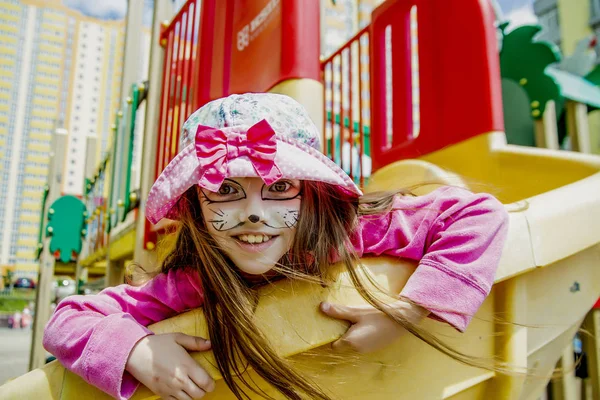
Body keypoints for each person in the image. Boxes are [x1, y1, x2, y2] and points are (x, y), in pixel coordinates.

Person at [43, 93, 509, 400]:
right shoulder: (192, 282)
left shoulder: (352, 232)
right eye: (224, 189)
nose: (252, 213)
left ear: (312, 192)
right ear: (193, 207)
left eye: (278, 185)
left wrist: (408, 312)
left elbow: (477, 213)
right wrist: (136, 348)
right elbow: (68, 318)